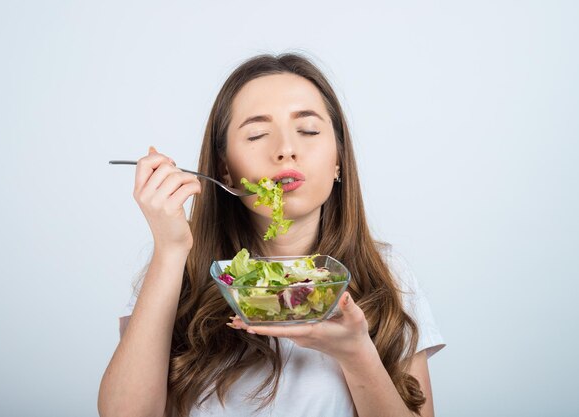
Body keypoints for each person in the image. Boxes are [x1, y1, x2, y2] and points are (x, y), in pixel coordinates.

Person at [98, 52, 445, 417]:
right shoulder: (176, 271)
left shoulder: (389, 275)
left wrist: (356, 353)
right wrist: (170, 250)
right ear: (225, 171)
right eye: (257, 134)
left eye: (309, 130)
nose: (285, 150)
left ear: (339, 159)